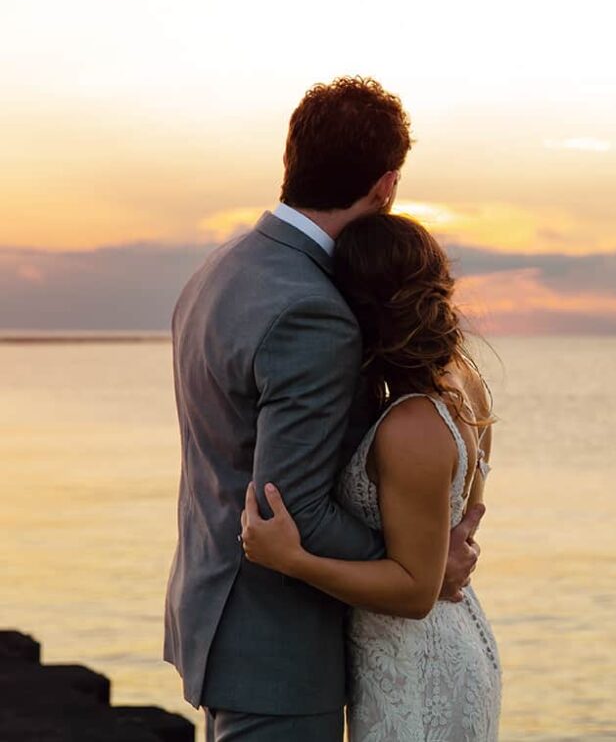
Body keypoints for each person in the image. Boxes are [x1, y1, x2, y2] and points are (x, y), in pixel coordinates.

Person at [164, 77, 484, 741]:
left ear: (295, 160)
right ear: (386, 186)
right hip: (279, 641)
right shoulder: (312, 310)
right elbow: (293, 509)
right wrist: (418, 563)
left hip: (213, 615)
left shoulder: (218, 270)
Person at [241, 213, 502, 741]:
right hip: (449, 644)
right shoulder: (464, 380)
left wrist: (294, 559)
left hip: (415, 672)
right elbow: (463, 520)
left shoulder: (410, 426)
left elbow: (414, 592)